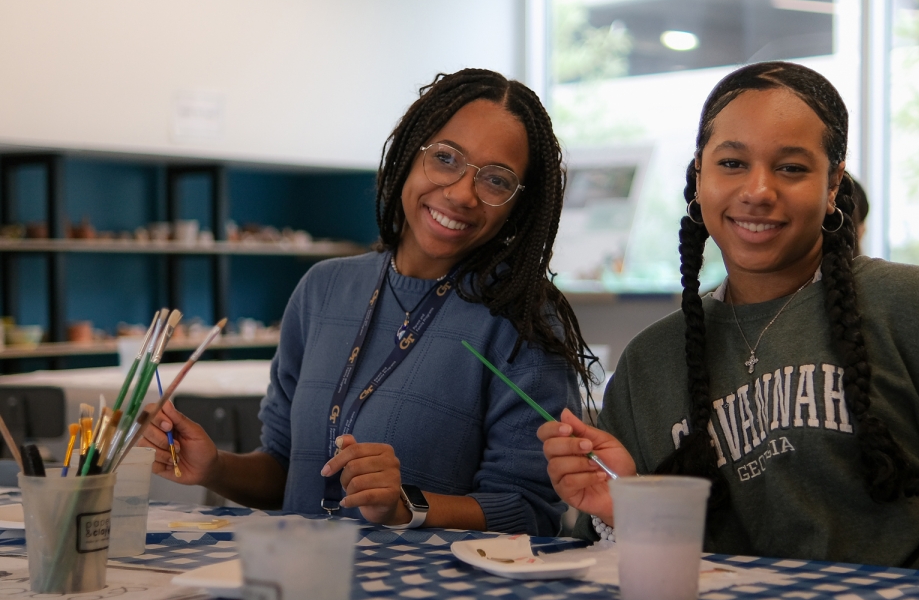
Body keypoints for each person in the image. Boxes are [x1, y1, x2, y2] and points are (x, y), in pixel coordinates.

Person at [541, 61, 919, 591]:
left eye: (791, 168)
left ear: (833, 183)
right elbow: (624, 570)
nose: (758, 190)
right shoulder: (650, 364)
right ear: (699, 178)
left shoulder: (915, 307)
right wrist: (623, 505)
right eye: (732, 163)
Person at [144, 68, 591, 535]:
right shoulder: (323, 290)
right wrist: (214, 468)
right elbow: (286, 470)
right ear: (409, 154)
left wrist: (407, 506)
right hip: (306, 582)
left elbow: (529, 511)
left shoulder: (520, 319)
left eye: (496, 181)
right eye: (445, 158)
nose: (461, 193)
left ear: (519, 204)